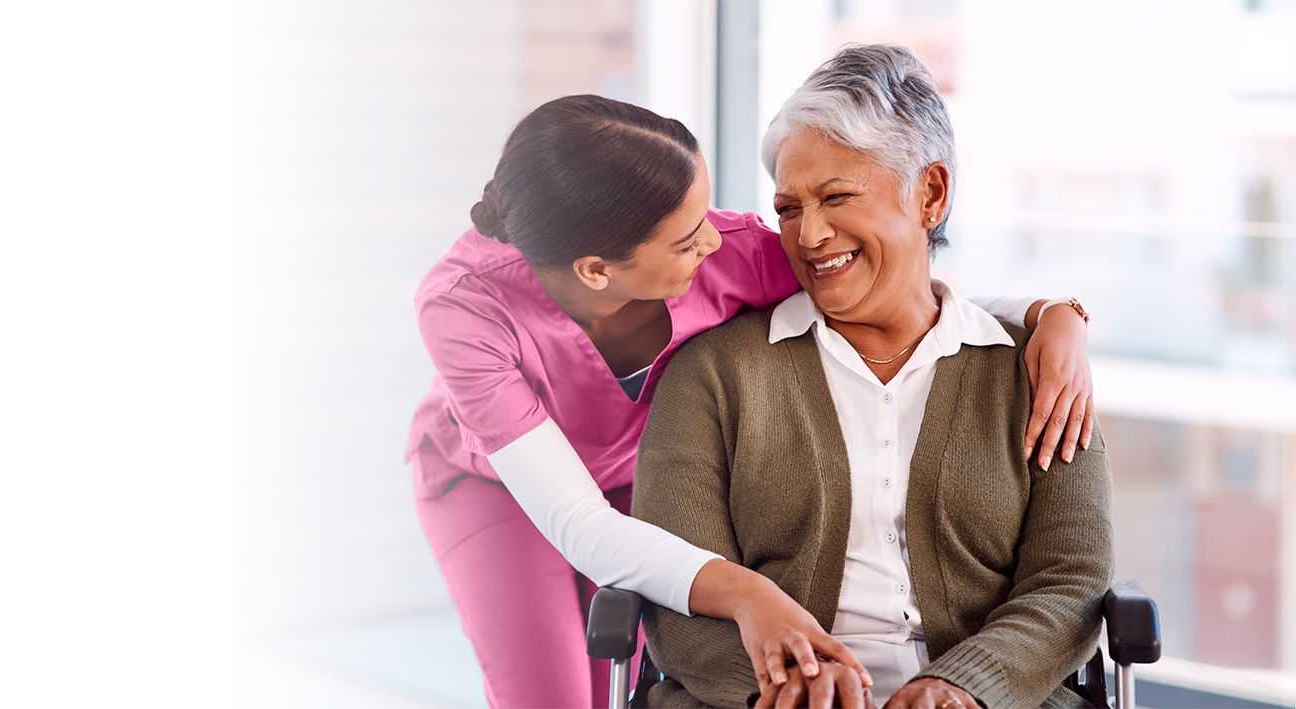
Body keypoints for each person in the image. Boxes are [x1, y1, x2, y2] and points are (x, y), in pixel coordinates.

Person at [407, 92, 1096, 708]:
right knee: (553, 697)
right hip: (501, 488)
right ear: (596, 269)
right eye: (684, 237)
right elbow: (580, 526)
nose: (712, 236)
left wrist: (1048, 313)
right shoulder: (464, 305)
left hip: (643, 475)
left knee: (616, 667)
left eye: (703, 210)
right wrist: (751, 594)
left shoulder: (729, 251)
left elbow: (902, 289)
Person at [632, 44, 1112, 709]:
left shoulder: (1037, 372)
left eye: (835, 197)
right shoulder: (712, 374)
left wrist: (963, 684)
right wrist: (790, 682)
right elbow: (675, 585)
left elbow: (1070, 579)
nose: (808, 234)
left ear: (930, 194)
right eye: (790, 207)